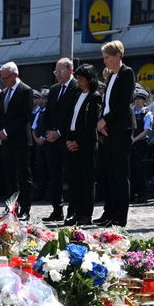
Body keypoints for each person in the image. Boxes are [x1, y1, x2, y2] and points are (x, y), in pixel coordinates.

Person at [95, 40, 135, 227]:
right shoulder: (111, 76)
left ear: (118, 55)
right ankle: (108, 212)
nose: (105, 61)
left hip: (121, 128)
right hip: (109, 129)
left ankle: (120, 215)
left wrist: (106, 119)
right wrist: (101, 121)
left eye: (107, 57)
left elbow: (122, 104)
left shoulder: (127, 73)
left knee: (120, 173)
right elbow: (107, 103)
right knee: (109, 173)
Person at [0, 62, 33, 217]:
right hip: (6, 140)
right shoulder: (4, 93)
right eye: (1, 78)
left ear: (15, 75)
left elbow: (25, 116)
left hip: (21, 140)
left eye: (6, 78)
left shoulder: (25, 90)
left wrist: (8, 130)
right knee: (9, 175)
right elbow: (0, 115)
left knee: (23, 175)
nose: (3, 81)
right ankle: (11, 207)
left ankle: (25, 209)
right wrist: (1, 130)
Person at [38, 58, 76, 221]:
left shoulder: (77, 88)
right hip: (52, 141)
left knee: (71, 176)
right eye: (55, 72)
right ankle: (57, 210)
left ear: (70, 70)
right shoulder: (54, 89)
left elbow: (73, 115)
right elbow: (47, 113)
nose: (57, 75)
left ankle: (73, 211)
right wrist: (47, 132)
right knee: (54, 176)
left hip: (68, 139)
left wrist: (59, 132)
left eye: (60, 71)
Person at [64, 65, 101, 225]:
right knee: (73, 179)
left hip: (85, 143)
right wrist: (69, 139)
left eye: (81, 79)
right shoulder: (76, 94)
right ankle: (73, 211)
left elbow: (91, 123)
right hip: (72, 139)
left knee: (86, 179)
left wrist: (78, 142)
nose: (79, 82)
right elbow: (69, 118)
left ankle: (85, 213)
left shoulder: (94, 97)